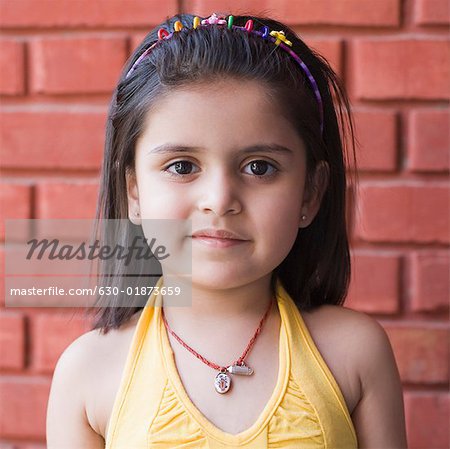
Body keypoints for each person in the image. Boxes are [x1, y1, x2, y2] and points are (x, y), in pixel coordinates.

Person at [46, 12, 407, 448]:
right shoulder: (88, 373)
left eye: (259, 167)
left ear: (311, 193)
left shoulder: (353, 354)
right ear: (134, 191)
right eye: (182, 166)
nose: (219, 199)